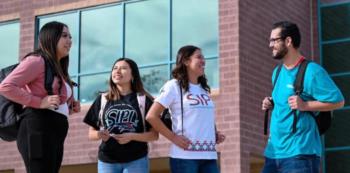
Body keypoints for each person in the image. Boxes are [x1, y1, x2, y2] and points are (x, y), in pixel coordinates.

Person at [261, 21, 344, 173]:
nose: (270, 45)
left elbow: (338, 101)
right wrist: (272, 103)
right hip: (273, 153)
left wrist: (305, 106)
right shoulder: (277, 72)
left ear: (288, 41)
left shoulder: (312, 71)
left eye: (274, 40)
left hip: (300, 154)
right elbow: (285, 100)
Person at [0, 21, 80, 173]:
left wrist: (70, 106)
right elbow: (6, 86)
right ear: (50, 37)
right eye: (64, 36)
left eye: (70, 37)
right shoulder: (36, 61)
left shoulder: (59, 68)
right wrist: (39, 102)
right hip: (37, 127)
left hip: (55, 128)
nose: (69, 40)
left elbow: (52, 100)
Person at [146, 45, 225, 173]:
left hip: (209, 156)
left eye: (203, 58)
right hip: (184, 157)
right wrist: (173, 137)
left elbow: (203, 117)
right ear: (186, 61)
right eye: (199, 57)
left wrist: (214, 134)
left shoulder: (204, 89)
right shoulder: (173, 86)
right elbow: (151, 116)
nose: (203, 61)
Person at [83, 57, 158, 173]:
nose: (117, 71)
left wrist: (132, 136)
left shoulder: (143, 100)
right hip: (107, 160)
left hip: (136, 160)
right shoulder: (102, 99)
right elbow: (91, 134)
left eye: (123, 68)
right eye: (115, 68)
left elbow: (154, 135)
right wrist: (100, 134)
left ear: (133, 75)